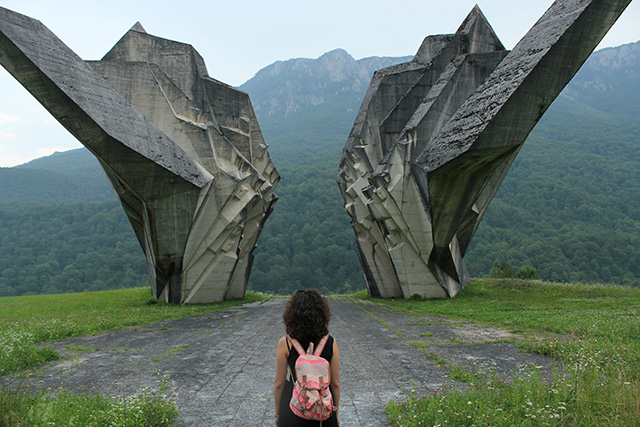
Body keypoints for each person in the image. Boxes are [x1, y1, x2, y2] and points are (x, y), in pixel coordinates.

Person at [274, 289, 340, 426]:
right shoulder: (330, 342)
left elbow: (279, 384)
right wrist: (335, 412)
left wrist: (277, 414)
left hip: (293, 409)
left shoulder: (285, 343)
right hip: (322, 410)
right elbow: (335, 384)